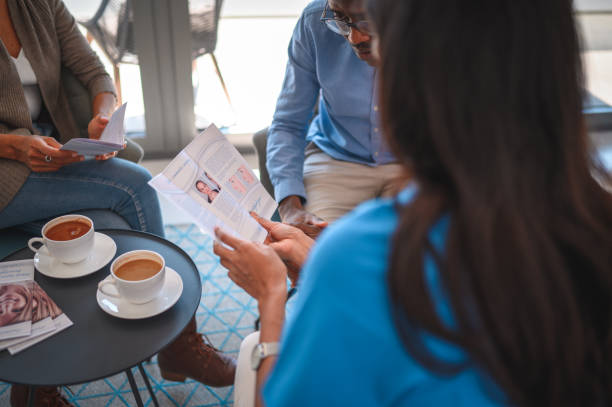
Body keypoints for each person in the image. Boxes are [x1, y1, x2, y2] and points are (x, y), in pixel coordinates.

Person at [215, 0, 612, 405]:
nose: (359, 39)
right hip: (337, 164)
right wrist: (296, 211)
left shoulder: (355, 257)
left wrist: (273, 296)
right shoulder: (595, 227)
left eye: (378, 27)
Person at [0, 1, 235, 405]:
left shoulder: (39, 4)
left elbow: (94, 71)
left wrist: (103, 115)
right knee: (135, 189)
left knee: (106, 222)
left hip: (48, 154)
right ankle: (178, 343)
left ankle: (35, 385)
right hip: (7, 166)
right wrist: (14, 146)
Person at [267, 0, 403, 238]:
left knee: (411, 256)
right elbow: (288, 123)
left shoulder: (431, 26)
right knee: (312, 252)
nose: (354, 38)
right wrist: (290, 207)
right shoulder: (313, 22)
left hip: (411, 162)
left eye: (365, 19)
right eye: (341, 19)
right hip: (335, 158)